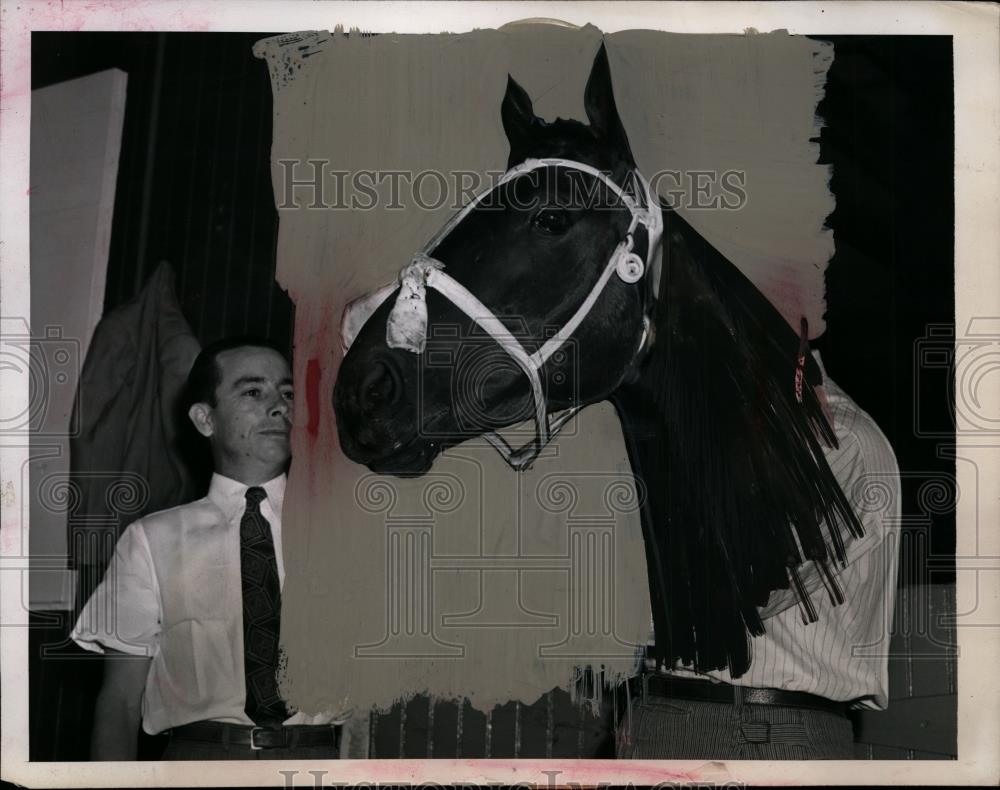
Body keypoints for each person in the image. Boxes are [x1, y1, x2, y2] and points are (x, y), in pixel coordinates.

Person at [71, 337, 362, 759]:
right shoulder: (152, 540)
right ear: (205, 419)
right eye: (252, 392)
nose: (279, 406)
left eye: (287, 393)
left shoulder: (343, 532)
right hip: (197, 764)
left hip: (318, 762)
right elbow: (119, 703)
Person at [616, 352, 901, 759]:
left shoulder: (834, 437)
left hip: (757, 733)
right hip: (680, 716)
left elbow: (736, 598)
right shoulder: (715, 424)